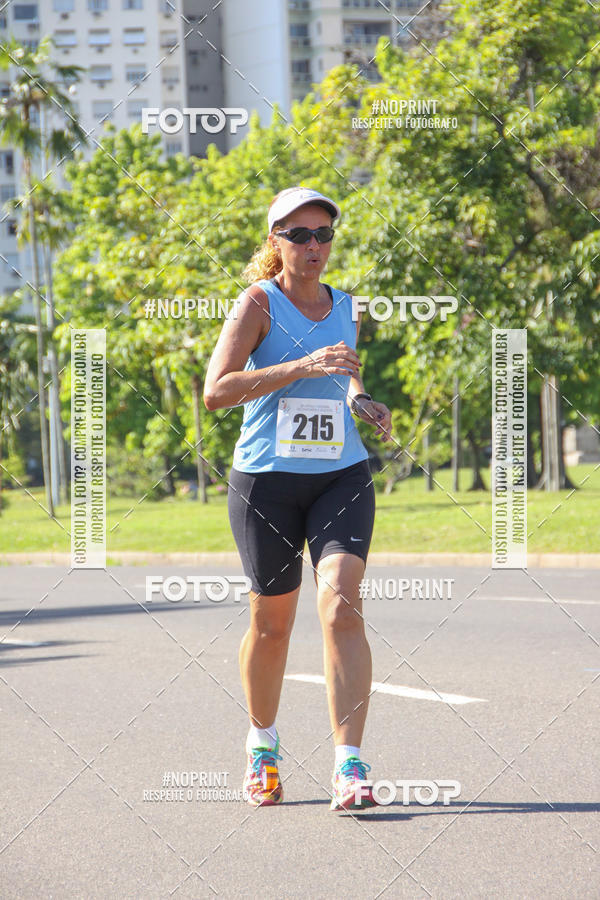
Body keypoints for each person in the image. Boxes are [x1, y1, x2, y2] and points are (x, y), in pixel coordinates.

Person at [203, 186, 392, 810]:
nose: (314, 246)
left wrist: (358, 398)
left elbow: (343, 370)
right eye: (300, 235)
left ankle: (350, 766)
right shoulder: (257, 302)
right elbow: (218, 390)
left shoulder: (347, 305)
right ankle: (261, 745)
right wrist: (297, 367)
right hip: (267, 480)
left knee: (341, 606)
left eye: (324, 235)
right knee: (273, 622)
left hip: (341, 473)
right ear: (275, 241)